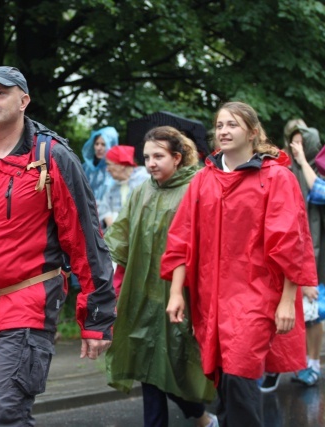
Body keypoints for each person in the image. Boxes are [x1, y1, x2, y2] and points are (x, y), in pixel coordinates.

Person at [0, 66, 116, 426]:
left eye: (0, 92)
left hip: (26, 306)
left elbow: (87, 241)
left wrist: (96, 318)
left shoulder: (52, 157)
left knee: (6, 412)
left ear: (24, 101)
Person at [162, 101, 317, 427]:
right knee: (224, 383)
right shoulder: (205, 180)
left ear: (253, 131)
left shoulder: (277, 178)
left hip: (257, 295)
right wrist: (177, 292)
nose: (223, 131)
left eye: (232, 124)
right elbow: (182, 239)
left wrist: (289, 299)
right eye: (219, 125)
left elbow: (291, 242)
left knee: (239, 373)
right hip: (211, 297)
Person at [104, 126, 217, 427]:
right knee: (145, 362)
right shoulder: (144, 189)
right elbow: (123, 234)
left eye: (158, 156)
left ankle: (201, 414)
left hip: (182, 294)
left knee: (176, 364)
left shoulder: (197, 187)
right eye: (146, 157)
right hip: (144, 291)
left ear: (178, 157)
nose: (151, 163)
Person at [286, 126, 325, 386]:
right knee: (305, 313)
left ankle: (314, 364)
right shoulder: (289, 172)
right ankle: (303, 363)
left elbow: (320, 194)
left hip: (318, 255)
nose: (296, 147)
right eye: (293, 143)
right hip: (297, 250)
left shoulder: (318, 169)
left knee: (315, 313)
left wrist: (302, 161)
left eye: (301, 143)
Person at [98, 144, 149, 228]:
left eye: (109, 164)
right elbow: (104, 207)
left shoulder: (145, 180)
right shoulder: (114, 186)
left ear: (121, 165)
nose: (107, 169)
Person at [81, 126, 119, 204]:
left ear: (111, 146)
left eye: (103, 144)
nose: (99, 148)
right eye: (96, 144)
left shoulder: (117, 169)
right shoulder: (87, 168)